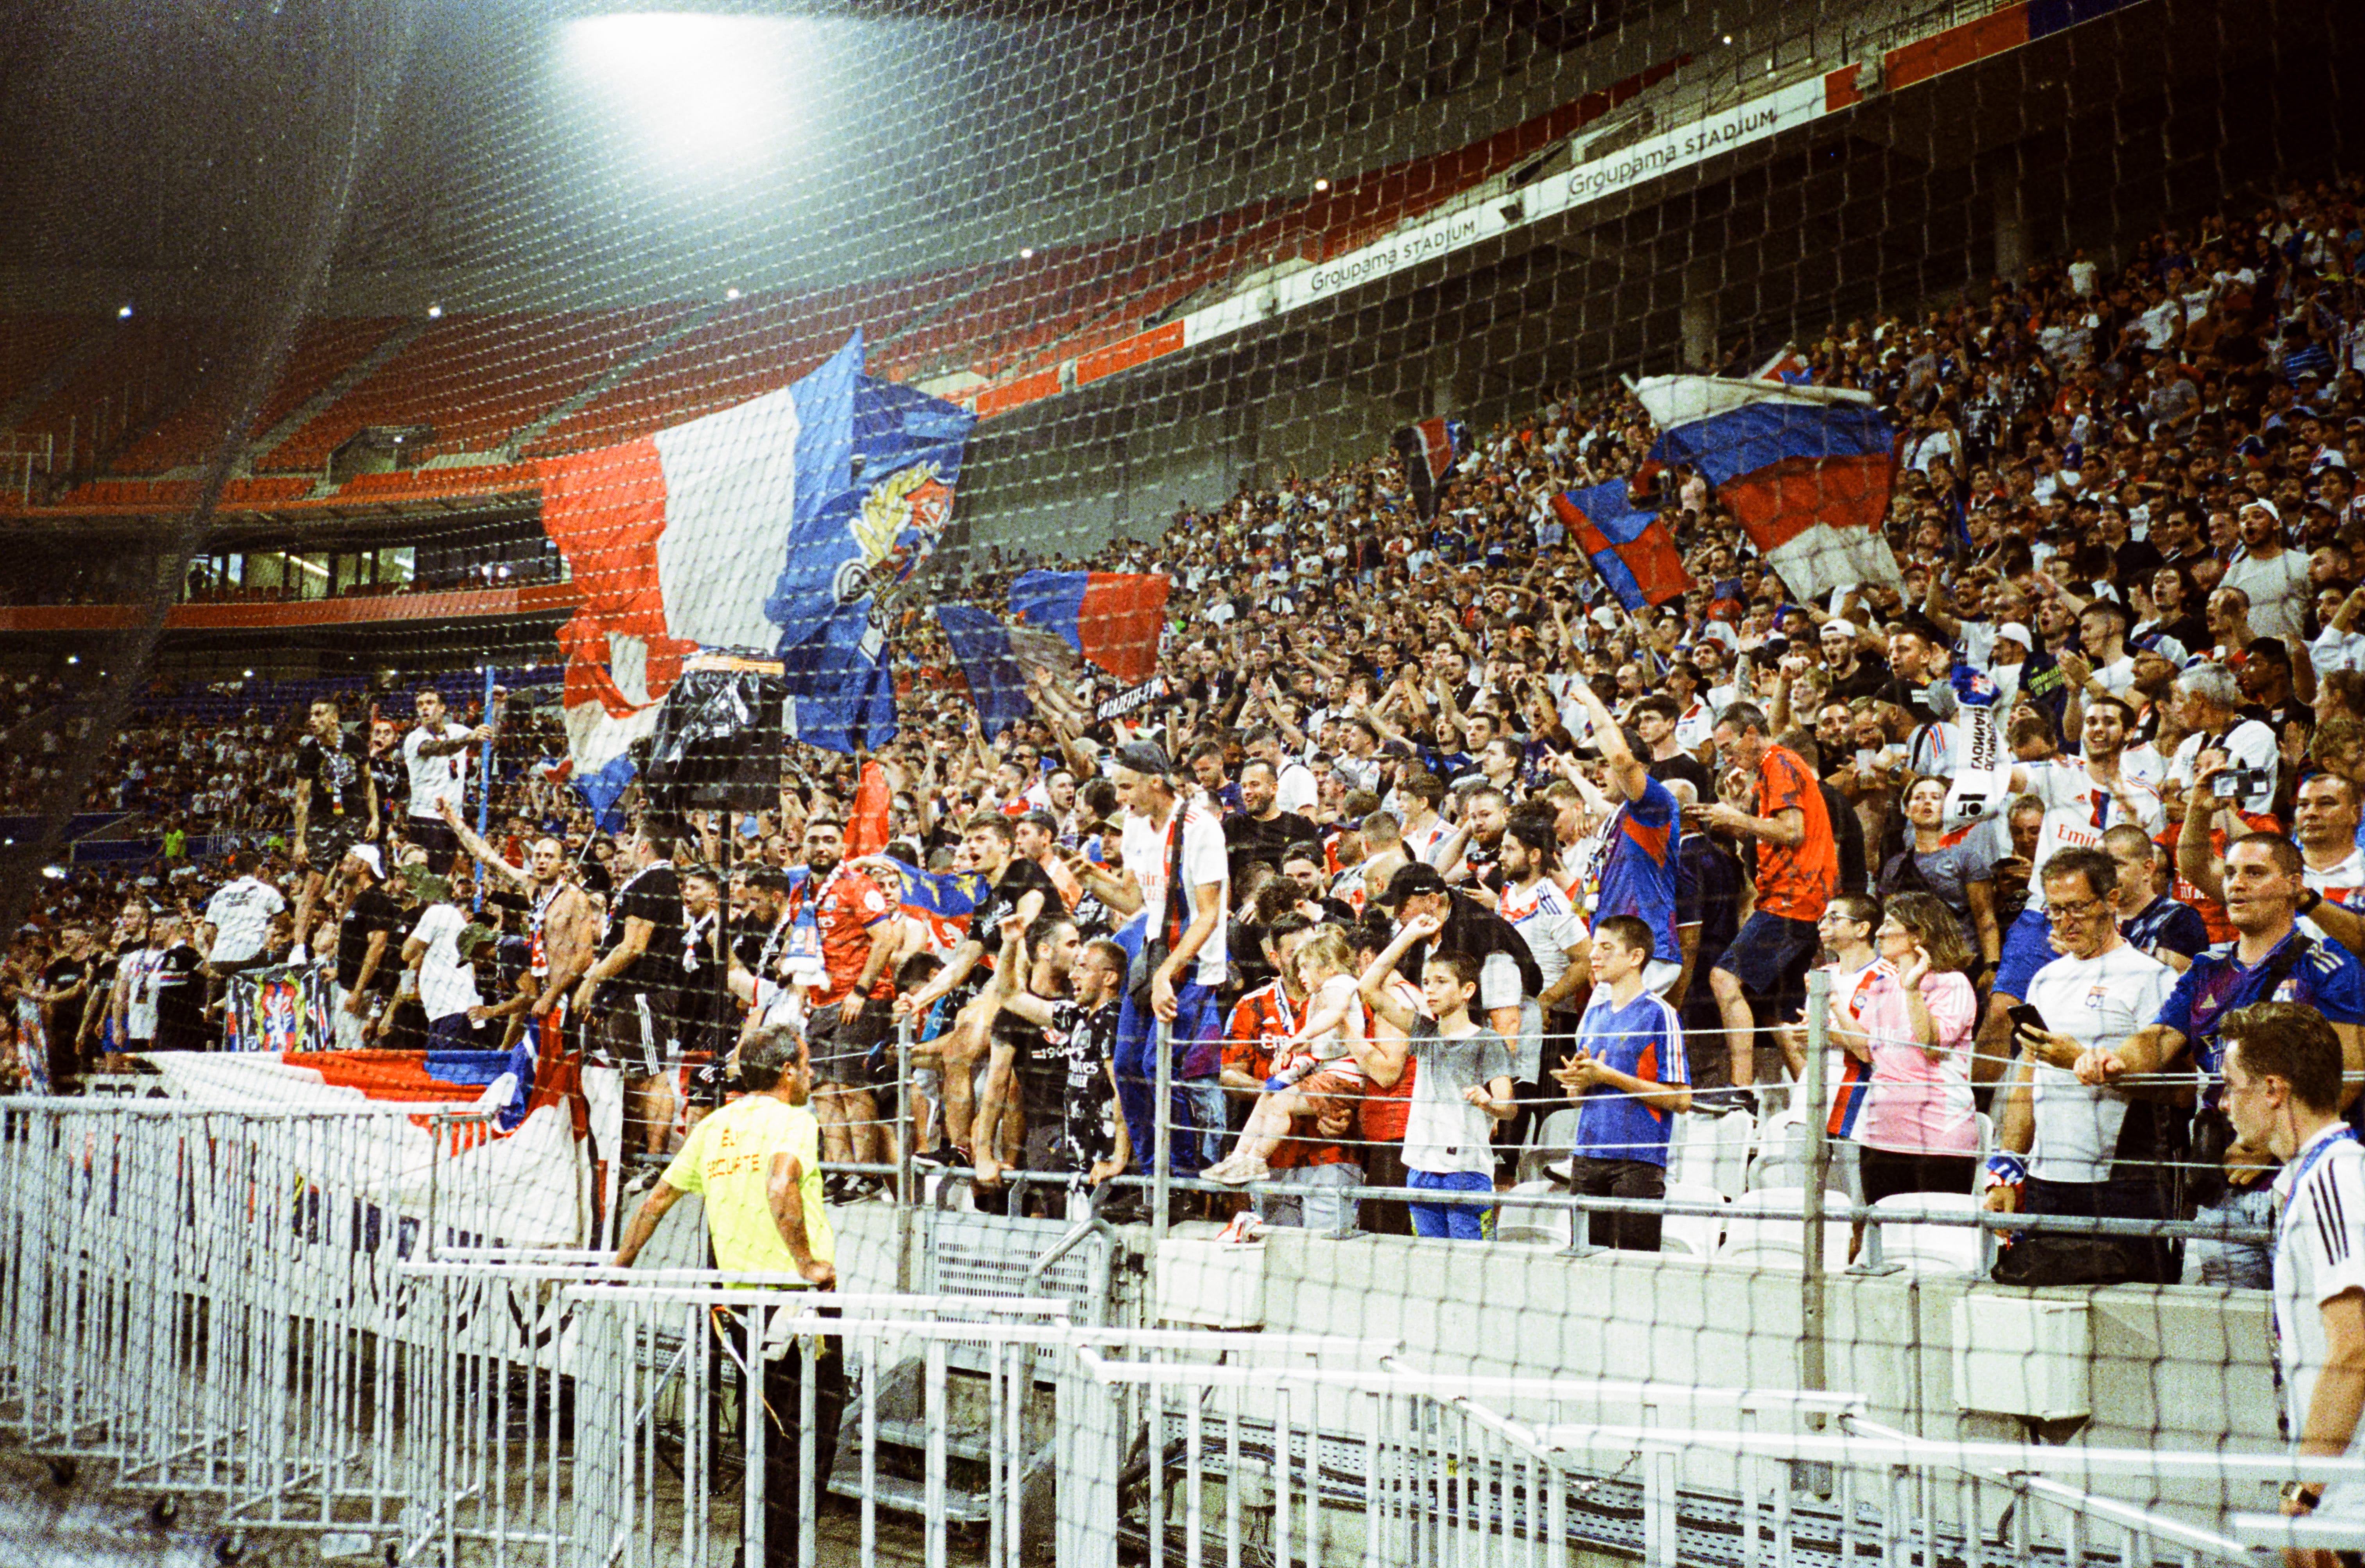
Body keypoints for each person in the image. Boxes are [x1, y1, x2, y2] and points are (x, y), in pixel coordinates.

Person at [2080, 833, 2365, 1287]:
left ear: (2294, 885)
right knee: (2225, 1326)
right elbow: (2159, 1038)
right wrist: (2114, 1060)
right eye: (2230, 873)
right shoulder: (2206, 968)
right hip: (2221, 1184)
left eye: (2255, 873)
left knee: (2317, 1319)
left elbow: (2349, 1075)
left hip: (2304, 1180)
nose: (2237, 884)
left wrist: (2269, 1145)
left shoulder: (2328, 964)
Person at [612, 1024, 841, 1566]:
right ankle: (773, 1559)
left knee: (765, 1437)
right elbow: (781, 1186)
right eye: (807, 1064)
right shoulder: (794, 1120)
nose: (812, 1074)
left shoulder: (716, 1124)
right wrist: (807, 1263)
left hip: (740, 1310)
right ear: (787, 1071)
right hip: (798, 1307)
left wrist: (619, 1265)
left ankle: (754, 1555)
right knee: (805, 1440)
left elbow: (656, 1200)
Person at [1986, 846, 2180, 1285]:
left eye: (2077, 907)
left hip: (2123, 1184)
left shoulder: (2151, 977)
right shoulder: (2046, 979)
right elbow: (2027, 1081)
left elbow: (2179, 1091)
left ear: (2111, 900)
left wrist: (2080, 1061)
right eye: (2055, 910)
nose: (2065, 922)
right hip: (2046, 1181)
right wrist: (2007, 1169)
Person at [2214, 1002, 2365, 1549]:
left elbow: (2354, 1348)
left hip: (2350, 1505)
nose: (2224, 1103)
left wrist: (2306, 1494)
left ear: (2274, 1090)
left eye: (2231, 1086)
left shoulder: (2335, 1179)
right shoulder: (2319, 1176)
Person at [1704, 700, 1838, 1094]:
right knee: (1780, 1011)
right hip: (1798, 898)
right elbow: (1771, 838)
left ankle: (1740, 1090)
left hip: (1795, 897)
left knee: (1724, 977)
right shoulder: (1769, 771)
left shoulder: (1779, 762)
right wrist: (1738, 811)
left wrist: (1737, 818)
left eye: (1728, 747)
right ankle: (1816, 1101)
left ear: (1751, 733)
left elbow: (1793, 831)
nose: (1726, 758)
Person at [1548, 914, 1690, 1252]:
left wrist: (1608, 1076)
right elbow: (1578, 1101)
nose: (1594, 955)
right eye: (1594, 946)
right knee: (1584, 1264)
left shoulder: (1660, 1014)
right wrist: (1577, 1083)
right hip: (1586, 1156)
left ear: (1635, 956)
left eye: (1606, 947)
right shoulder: (1593, 1016)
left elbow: (1682, 1100)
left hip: (1638, 1161)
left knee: (1636, 1268)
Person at [977, 920, 1130, 1219]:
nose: (1073, 974)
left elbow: (1122, 1091)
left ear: (1109, 977)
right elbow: (1008, 995)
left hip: (1101, 1162)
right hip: (1077, 1158)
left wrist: (1117, 1158)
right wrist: (1010, 944)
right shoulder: (1078, 1016)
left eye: (1083, 968)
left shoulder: (1114, 1021)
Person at [787, 816, 899, 1179]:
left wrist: (861, 991)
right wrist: (803, 991)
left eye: (829, 840)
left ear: (843, 847)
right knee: (823, 1090)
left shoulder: (858, 884)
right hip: (821, 1001)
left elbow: (886, 939)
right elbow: (802, 945)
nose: (821, 847)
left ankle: (865, 1175)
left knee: (851, 1087)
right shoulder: (800, 892)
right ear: (804, 847)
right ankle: (840, 1169)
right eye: (814, 839)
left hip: (862, 998)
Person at [575, 819, 686, 1177]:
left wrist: (593, 978)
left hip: (643, 993)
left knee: (652, 1076)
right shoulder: (654, 881)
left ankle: (655, 1161)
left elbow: (634, 945)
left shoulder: (655, 880)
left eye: (631, 842)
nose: (624, 851)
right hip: (631, 994)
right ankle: (630, 1159)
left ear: (644, 846)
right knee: (635, 1077)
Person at [1853, 891, 1981, 1201]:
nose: (1879, 933)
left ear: (1918, 934)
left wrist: (1911, 988)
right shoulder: (1880, 986)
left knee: (1936, 1232)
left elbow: (1932, 1047)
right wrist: (1827, 1011)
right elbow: (1865, 1049)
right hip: (1880, 1137)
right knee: (1884, 1231)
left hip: (1939, 1138)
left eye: (1889, 924)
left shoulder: (1952, 983)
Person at [289, 697, 378, 959]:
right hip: (322, 822)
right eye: (311, 715)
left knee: (353, 883)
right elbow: (302, 799)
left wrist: (375, 817)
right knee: (314, 884)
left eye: (319, 714)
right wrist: (300, 840)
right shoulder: (309, 751)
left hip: (354, 819)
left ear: (334, 718)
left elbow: (368, 782)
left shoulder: (355, 744)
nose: (313, 720)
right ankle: (298, 948)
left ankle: (343, 943)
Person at [402, 687, 494, 874]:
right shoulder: (415, 738)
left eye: (430, 703)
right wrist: (469, 737)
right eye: (420, 704)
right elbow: (440, 748)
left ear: (443, 708)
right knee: (426, 877)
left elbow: (489, 741)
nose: (424, 708)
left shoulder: (456, 730)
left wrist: (498, 708)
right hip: (426, 818)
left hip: (452, 818)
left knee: (442, 875)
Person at [330, 844, 400, 1048]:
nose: (341, 868)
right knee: (342, 1052)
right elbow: (357, 946)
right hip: (349, 988)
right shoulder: (360, 899)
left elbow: (377, 948)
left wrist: (359, 991)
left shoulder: (377, 900)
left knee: (358, 1053)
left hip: (363, 993)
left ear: (363, 867)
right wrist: (341, 971)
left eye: (347, 863)